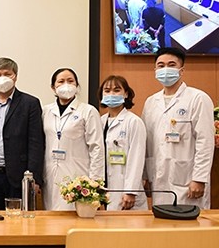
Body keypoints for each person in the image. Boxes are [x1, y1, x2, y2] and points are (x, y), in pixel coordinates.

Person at [142, 47, 214, 209]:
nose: (165, 69)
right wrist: (145, 175)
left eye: (171, 64)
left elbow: (205, 142)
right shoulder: (151, 102)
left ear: (181, 70)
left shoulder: (198, 98)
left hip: (188, 180)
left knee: (191, 228)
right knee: (162, 227)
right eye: (161, 65)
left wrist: (199, 178)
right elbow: (147, 143)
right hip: (159, 180)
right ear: (155, 70)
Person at [0, 57, 44, 211]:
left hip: (20, 176)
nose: (2, 78)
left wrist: (34, 178)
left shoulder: (30, 103)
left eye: (7, 74)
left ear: (16, 76)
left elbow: (36, 143)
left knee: (19, 222)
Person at [42, 68, 104, 210]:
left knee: (74, 217)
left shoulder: (88, 111)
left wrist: (95, 182)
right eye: (61, 81)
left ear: (77, 86)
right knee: (50, 219)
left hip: (78, 176)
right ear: (53, 87)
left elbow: (97, 148)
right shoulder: (46, 111)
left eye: (70, 81)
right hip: (51, 175)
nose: (66, 85)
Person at [99, 75, 147, 210]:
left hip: (126, 190)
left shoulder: (134, 122)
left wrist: (130, 191)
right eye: (107, 91)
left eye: (116, 90)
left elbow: (136, 158)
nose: (111, 94)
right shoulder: (101, 121)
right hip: (107, 188)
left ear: (126, 94)